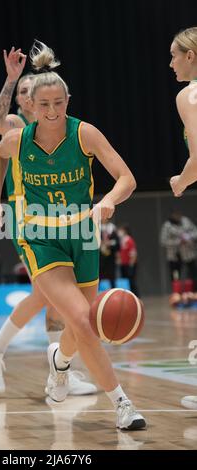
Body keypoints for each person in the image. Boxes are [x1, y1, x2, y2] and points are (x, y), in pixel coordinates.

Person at [0, 40, 146, 430]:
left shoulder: (85, 134)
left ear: (67, 100)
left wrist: (108, 199)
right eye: (45, 105)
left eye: (60, 103)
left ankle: (59, 363)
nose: (53, 111)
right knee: (86, 322)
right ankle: (123, 405)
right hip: (38, 235)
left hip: (82, 233)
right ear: (31, 107)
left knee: (79, 326)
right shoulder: (17, 138)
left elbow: (127, 178)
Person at [0, 47, 96, 396]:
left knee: (48, 296)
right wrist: (12, 79)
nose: (34, 96)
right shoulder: (16, 126)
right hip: (24, 215)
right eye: (28, 92)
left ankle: (54, 365)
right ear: (26, 101)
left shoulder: (62, 129)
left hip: (63, 217)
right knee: (47, 293)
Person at [169, 27, 197, 410]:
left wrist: (181, 180)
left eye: (175, 54)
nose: (171, 62)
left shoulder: (189, 95)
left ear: (191, 56)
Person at [160, 210, 197, 285]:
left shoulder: (186, 221)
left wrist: (189, 237)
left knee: (192, 273)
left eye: (179, 214)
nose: (178, 216)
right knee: (176, 275)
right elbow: (163, 241)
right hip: (174, 256)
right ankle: (177, 293)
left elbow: (195, 231)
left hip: (188, 253)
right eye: (175, 215)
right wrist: (178, 241)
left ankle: (193, 292)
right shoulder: (167, 225)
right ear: (172, 216)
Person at [118, 224, 139, 296]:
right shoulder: (121, 240)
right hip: (123, 264)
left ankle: (136, 296)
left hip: (130, 264)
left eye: (121, 230)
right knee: (125, 282)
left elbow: (133, 253)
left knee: (132, 282)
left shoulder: (129, 240)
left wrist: (131, 264)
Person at [100, 221, 120, 288]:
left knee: (112, 277)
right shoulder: (96, 227)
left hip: (111, 258)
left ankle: (114, 293)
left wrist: (109, 243)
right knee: (98, 277)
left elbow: (117, 243)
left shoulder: (113, 228)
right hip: (100, 258)